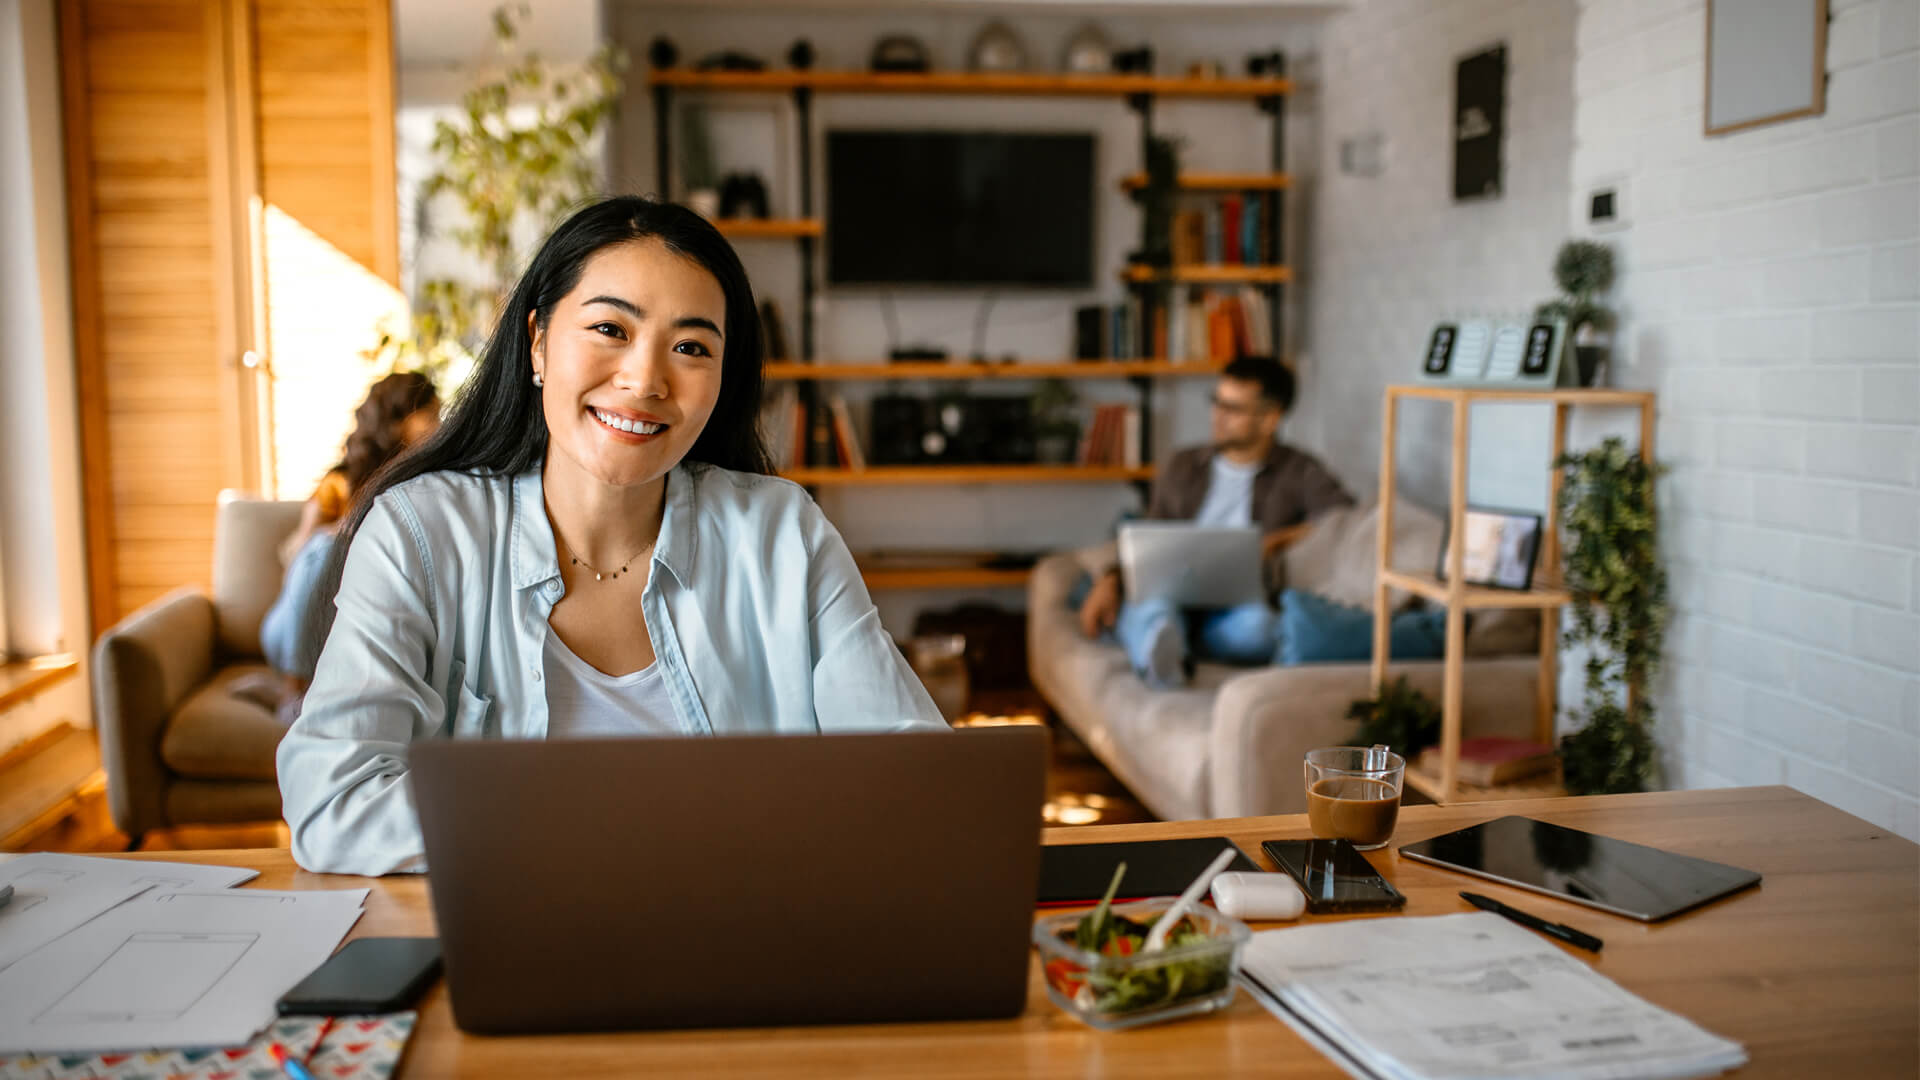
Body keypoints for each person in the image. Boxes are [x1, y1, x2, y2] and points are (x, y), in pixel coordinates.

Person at [277, 196, 946, 876]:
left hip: (747, 946)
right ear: (537, 341)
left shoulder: (782, 532)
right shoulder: (421, 533)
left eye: (690, 347)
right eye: (610, 329)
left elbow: (914, 770)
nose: (644, 380)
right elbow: (336, 799)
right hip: (504, 946)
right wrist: (614, 823)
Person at [1077, 356, 1353, 688]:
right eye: (1216, 403)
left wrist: (1275, 542)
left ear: (1270, 419)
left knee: (1261, 627)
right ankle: (1162, 647)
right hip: (1169, 592)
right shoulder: (1184, 464)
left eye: (1233, 409)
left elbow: (1343, 516)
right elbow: (1148, 538)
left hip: (1235, 605)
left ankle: (1175, 646)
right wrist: (1110, 578)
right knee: (1154, 611)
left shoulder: (1299, 470)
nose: (1218, 417)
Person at [258, 371, 441, 690]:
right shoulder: (340, 483)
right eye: (429, 416)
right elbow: (297, 560)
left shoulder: (426, 483)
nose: (438, 427)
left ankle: (275, 690)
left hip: (354, 625)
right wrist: (338, 533)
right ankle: (291, 691)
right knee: (324, 548)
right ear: (398, 421)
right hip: (292, 628)